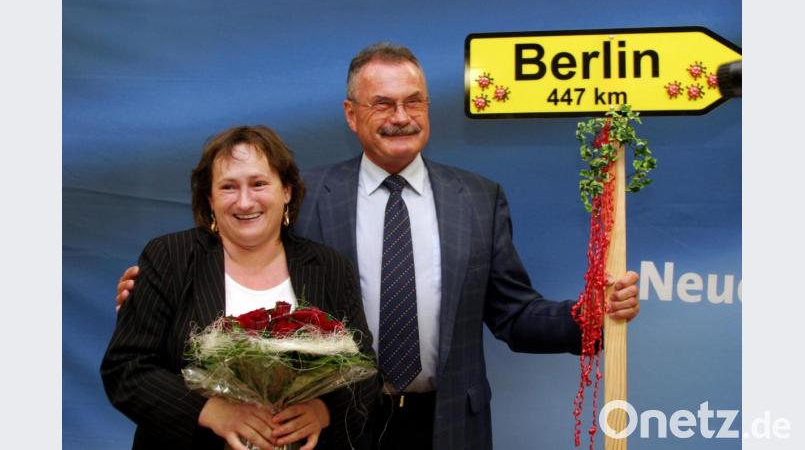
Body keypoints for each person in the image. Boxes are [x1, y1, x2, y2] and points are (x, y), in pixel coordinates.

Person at [117, 43, 640, 449]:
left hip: (448, 423)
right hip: (331, 422)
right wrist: (155, 295)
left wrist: (587, 316)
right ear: (351, 114)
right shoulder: (299, 197)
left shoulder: (478, 198)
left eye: (414, 101)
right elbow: (240, 261)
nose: (401, 116)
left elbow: (512, 312)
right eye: (383, 103)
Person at [102, 125, 378, 450]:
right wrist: (210, 411)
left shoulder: (330, 268)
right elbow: (126, 369)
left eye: (259, 184)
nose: (245, 202)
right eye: (228, 187)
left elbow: (366, 372)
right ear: (210, 198)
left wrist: (323, 410)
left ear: (287, 190)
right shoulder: (169, 259)